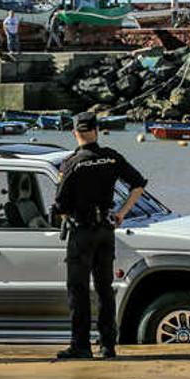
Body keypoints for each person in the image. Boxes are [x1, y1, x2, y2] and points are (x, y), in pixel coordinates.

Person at [52, 112, 148, 360]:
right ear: (96, 130)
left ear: (75, 133)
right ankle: (108, 346)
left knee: (78, 290)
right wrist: (121, 214)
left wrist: (66, 217)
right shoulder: (111, 157)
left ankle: (81, 346)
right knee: (105, 289)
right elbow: (138, 185)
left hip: (82, 232)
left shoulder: (72, 163)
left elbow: (59, 206)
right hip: (106, 230)